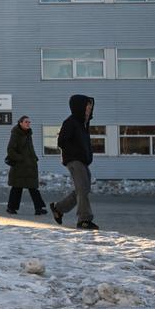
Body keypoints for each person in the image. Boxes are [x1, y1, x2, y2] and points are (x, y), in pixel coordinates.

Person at [50, 95, 99, 230]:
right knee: (82, 189)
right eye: (87, 107)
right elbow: (61, 142)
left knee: (83, 189)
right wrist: (75, 152)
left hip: (82, 161)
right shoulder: (71, 122)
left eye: (90, 107)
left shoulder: (83, 124)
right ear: (79, 107)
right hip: (74, 161)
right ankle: (84, 220)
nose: (89, 110)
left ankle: (59, 208)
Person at [5, 116, 47, 215]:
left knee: (32, 187)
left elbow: (29, 149)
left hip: (29, 165)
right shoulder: (16, 134)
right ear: (20, 123)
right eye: (26, 122)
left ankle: (38, 208)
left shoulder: (27, 133)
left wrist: (34, 158)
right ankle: (11, 208)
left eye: (29, 122)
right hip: (20, 167)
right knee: (17, 187)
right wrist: (21, 159)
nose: (28, 123)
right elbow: (10, 150)